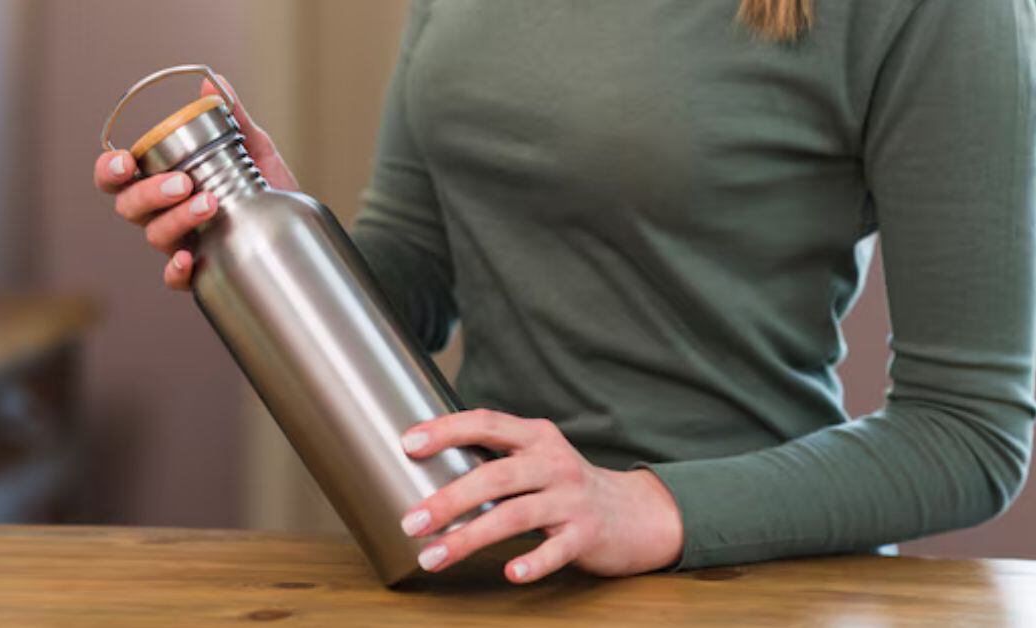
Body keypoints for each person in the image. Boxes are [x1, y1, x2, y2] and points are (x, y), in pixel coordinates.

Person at [94, 0, 1036, 584]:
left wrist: (642, 506)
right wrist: (274, 247)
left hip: (752, 585)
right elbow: (418, 271)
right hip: (491, 571)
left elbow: (968, 434)